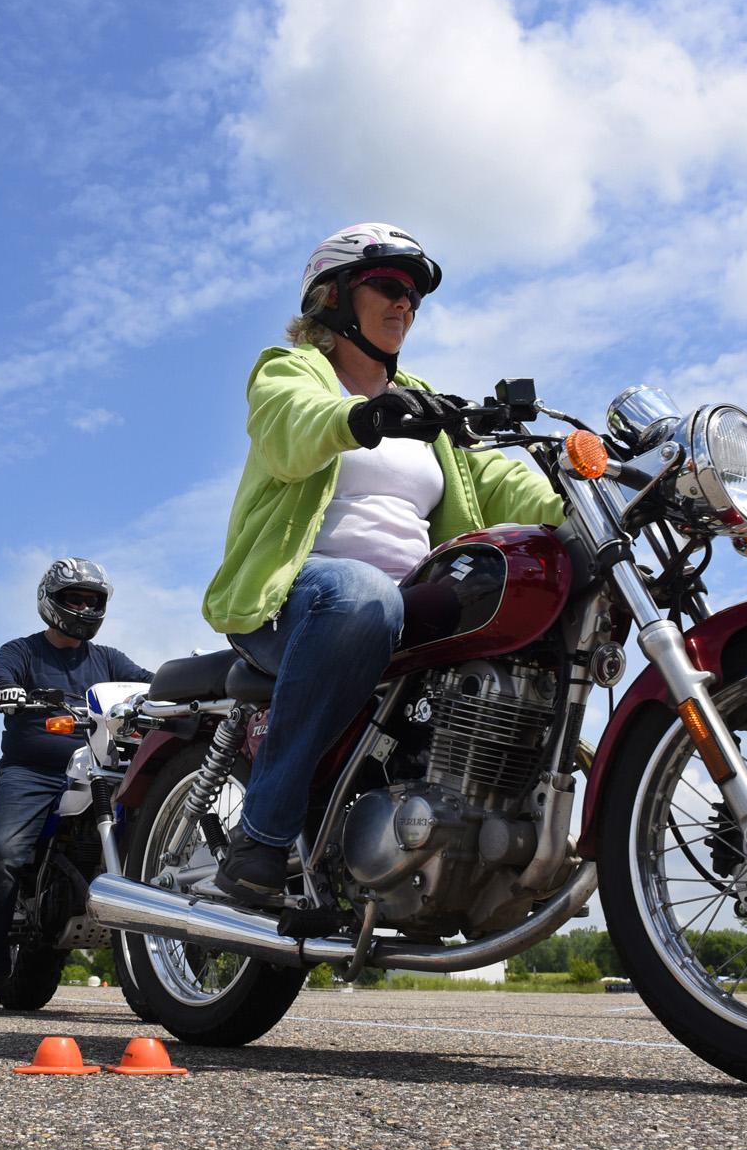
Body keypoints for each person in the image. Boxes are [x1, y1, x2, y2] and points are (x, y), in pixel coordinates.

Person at [201, 222, 564, 905]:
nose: (406, 305)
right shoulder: (291, 370)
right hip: (297, 599)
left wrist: (578, 506)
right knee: (364, 594)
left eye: (415, 297)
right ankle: (262, 835)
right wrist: (362, 418)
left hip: (399, 605)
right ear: (334, 297)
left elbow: (498, 482)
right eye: (390, 287)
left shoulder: (425, 402)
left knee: (531, 601)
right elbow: (293, 424)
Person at [0, 560, 153, 1011]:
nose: (84, 607)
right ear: (51, 601)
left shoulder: (109, 660)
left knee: (156, 847)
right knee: (0, 853)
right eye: (74, 598)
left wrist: (171, 691)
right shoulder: (23, 652)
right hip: (32, 772)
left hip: (104, 768)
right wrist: (6, 691)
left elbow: (146, 685)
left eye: (92, 600)